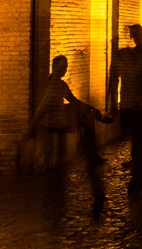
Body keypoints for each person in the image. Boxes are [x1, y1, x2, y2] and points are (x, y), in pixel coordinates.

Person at [31, 55, 113, 218]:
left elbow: (73, 101)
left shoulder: (59, 84)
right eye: (62, 66)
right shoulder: (53, 84)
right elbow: (43, 106)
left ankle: (97, 118)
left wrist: (90, 108)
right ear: (54, 67)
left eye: (66, 66)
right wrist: (33, 124)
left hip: (59, 117)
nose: (64, 69)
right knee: (86, 116)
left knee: (86, 113)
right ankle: (95, 137)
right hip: (55, 121)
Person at [108, 24, 142, 197]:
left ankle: (138, 176)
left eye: (135, 34)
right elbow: (113, 80)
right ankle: (140, 163)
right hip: (133, 103)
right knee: (137, 136)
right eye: (133, 34)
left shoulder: (137, 54)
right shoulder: (126, 55)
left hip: (137, 103)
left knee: (138, 136)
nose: (134, 37)